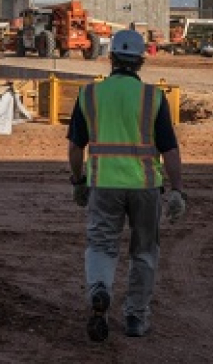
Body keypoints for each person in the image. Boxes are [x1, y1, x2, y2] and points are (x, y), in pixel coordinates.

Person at [68, 29, 186, 342]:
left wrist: (78, 180)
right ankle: (135, 318)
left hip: (103, 185)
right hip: (146, 187)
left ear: (111, 58)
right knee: (145, 252)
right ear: (140, 61)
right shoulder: (153, 97)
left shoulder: (90, 95)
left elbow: (75, 148)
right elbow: (170, 150)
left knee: (101, 246)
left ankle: (100, 292)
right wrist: (177, 190)